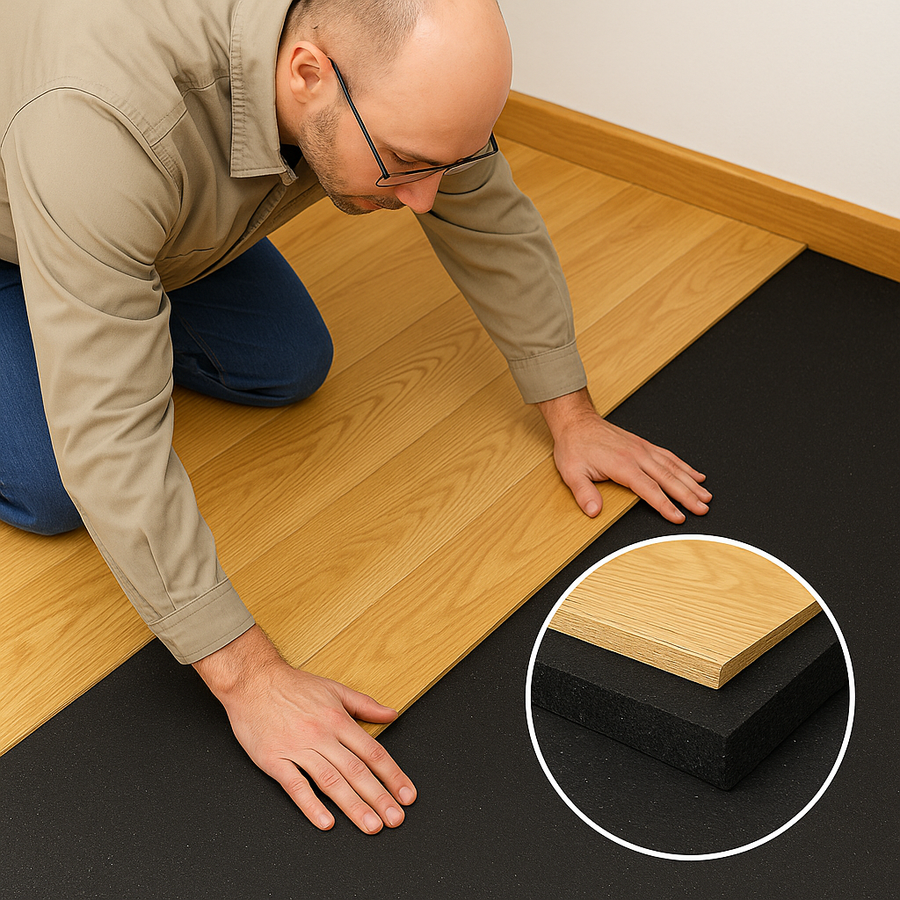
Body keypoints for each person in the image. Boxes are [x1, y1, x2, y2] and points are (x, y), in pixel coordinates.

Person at [0, 0, 711, 834]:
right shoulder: (101, 125)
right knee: (56, 484)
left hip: (123, 214)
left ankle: (121, 267)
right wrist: (249, 677)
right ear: (306, 72)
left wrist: (572, 413)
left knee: (286, 365)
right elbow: (110, 429)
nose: (424, 199)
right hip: (29, 209)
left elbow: (486, 211)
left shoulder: (375, 74)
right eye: (405, 164)